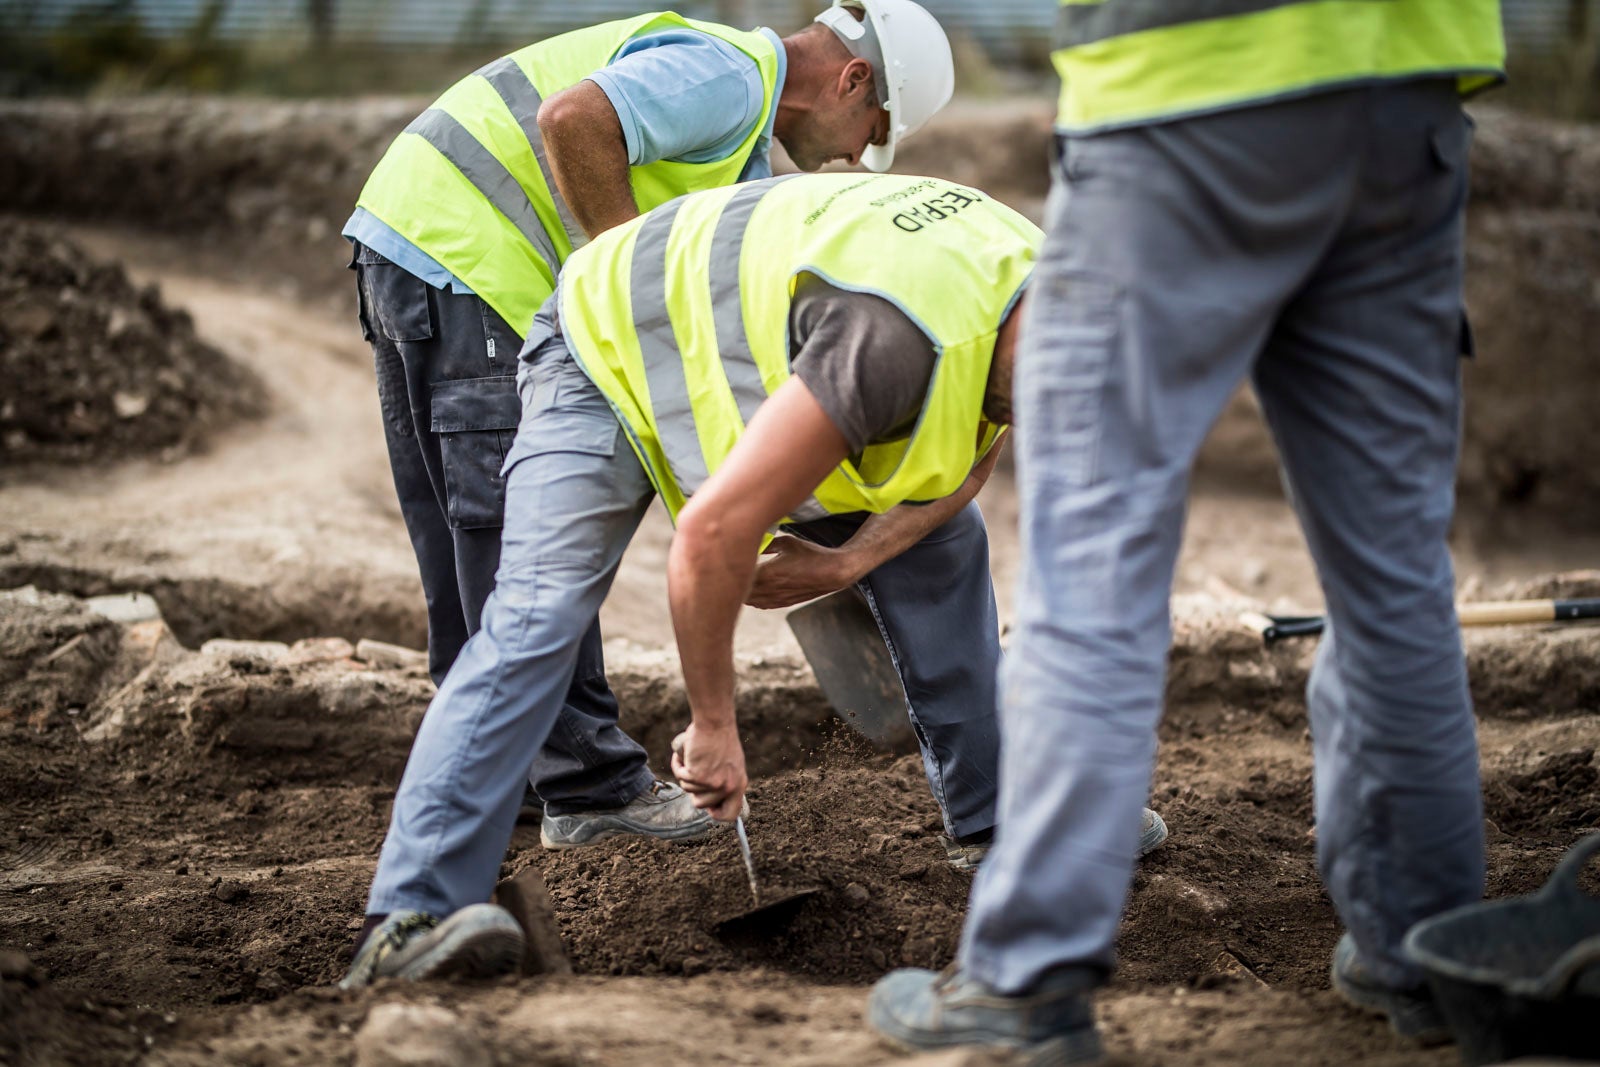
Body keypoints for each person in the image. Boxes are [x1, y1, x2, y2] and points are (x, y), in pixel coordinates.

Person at [867, 1, 1507, 1061]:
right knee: (1393, 573)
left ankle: (1025, 981)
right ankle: (1426, 954)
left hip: (1178, 96)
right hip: (1407, 96)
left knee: (1093, 564)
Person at [339, 171, 1166, 988]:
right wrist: (713, 725)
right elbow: (710, 536)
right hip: (601, 338)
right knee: (536, 616)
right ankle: (411, 914)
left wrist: (848, 560)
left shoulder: (1035, 289)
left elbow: (978, 441)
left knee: (942, 543)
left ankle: (1001, 819)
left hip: (774, 347)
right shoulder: (896, 342)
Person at [345, 1, 955, 851]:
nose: (857, 158)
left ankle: (496, 774)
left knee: (465, 538)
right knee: (515, 537)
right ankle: (588, 789)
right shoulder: (733, 77)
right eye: (872, 132)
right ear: (853, 81)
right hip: (469, 253)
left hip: (413, 240)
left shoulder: (737, 155)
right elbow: (574, 119)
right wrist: (625, 293)